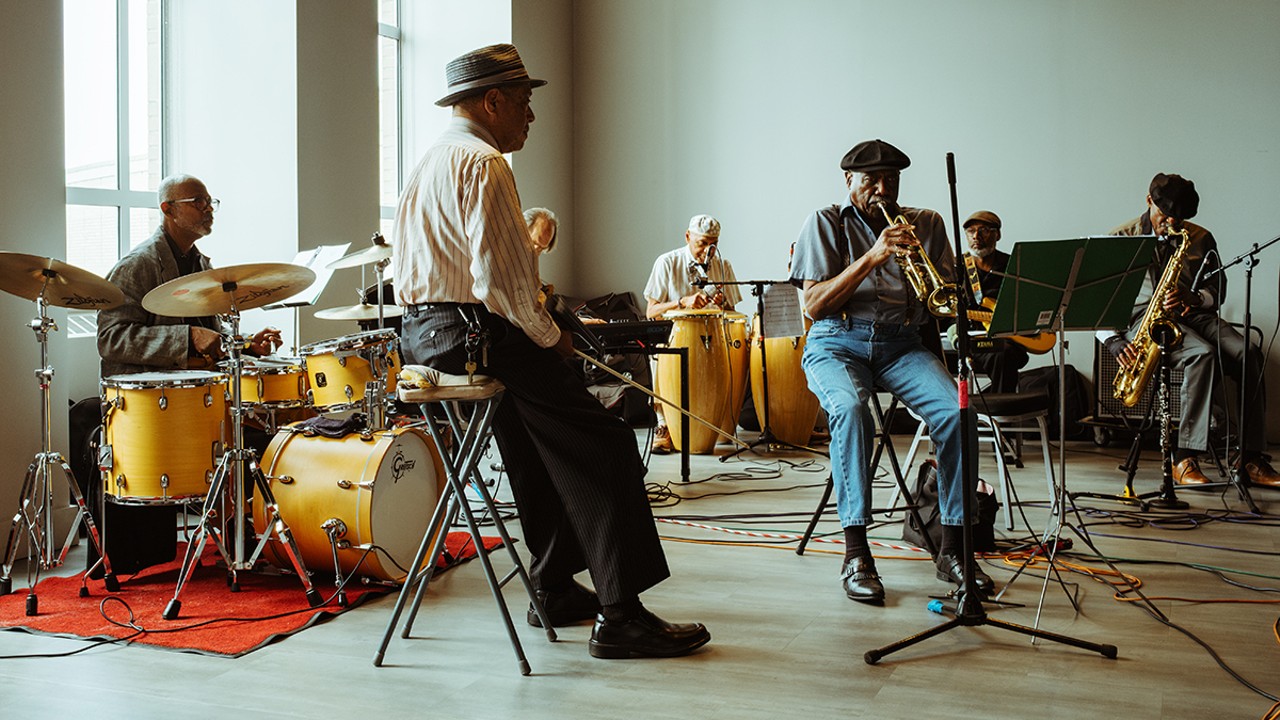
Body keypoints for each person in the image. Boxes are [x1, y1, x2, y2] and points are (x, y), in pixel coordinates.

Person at [391, 43, 709, 659]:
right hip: (479, 332)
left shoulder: (428, 159)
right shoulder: (483, 162)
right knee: (607, 441)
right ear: (492, 102)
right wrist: (552, 336)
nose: (531, 116)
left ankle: (555, 584)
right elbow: (503, 285)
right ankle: (620, 616)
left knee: (534, 448)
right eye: (526, 102)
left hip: (428, 334)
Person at [789, 138, 994, 605]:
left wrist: (945, 290)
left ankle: (953, 549)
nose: (883, 189)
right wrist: (873, 257)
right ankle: (857, 553)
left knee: (958, 414)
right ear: (849, 182)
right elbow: (814, 305)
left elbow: (943, 297)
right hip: (836, 342)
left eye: (891, 180)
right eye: (870, 181)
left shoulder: (927, 223)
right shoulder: (825, 223)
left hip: (902, 345)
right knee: (851, 408)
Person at [1097, 173, 1278, 487]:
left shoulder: (1200, 236)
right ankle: (1183, 456)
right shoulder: (1120, 237)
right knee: (1202, 355)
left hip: (1194, 314)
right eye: (1165, 215)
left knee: (1249, 353)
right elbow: (1098, 300)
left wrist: (1196, 297)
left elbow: (1216, 289)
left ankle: (1249, 456)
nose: (1172, 222)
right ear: (1149, 200)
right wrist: (1112, 340)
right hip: (1146, 319)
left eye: (1179, 217)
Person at [97, 174, 282, 378]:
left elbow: (210, 333)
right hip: (152, 398)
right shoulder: (136, 265)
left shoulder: (202, 263)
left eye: (211, 202)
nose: (209, 208)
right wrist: (188, 336)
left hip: (201, 388)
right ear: (168, 209)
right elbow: (111, 339)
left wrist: (246, 343)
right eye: (199, 201)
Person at [642, 214, 742, 453]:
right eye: (702, 243)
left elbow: (732, 312)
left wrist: (721, 303)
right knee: (658, 353)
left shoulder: (722, 266)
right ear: (688, 237)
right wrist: (682, 302)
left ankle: (714, 424)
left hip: (711, 339)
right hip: (674, 336)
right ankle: (663, 425)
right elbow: (651, 312)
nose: (708, 250)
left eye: (713, 244)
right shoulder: (667, 262)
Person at [960, 210, 1029, 393]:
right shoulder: (957, 268)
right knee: (1003, 353)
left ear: (997, 234)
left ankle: (998, 410)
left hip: (1013, 339)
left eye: (983, 229)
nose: (976, 236)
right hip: (976, 339)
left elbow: (1027, 303)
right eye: (971, 231)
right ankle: (1002, 412)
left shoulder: (1013, 265)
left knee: (1006, 351)